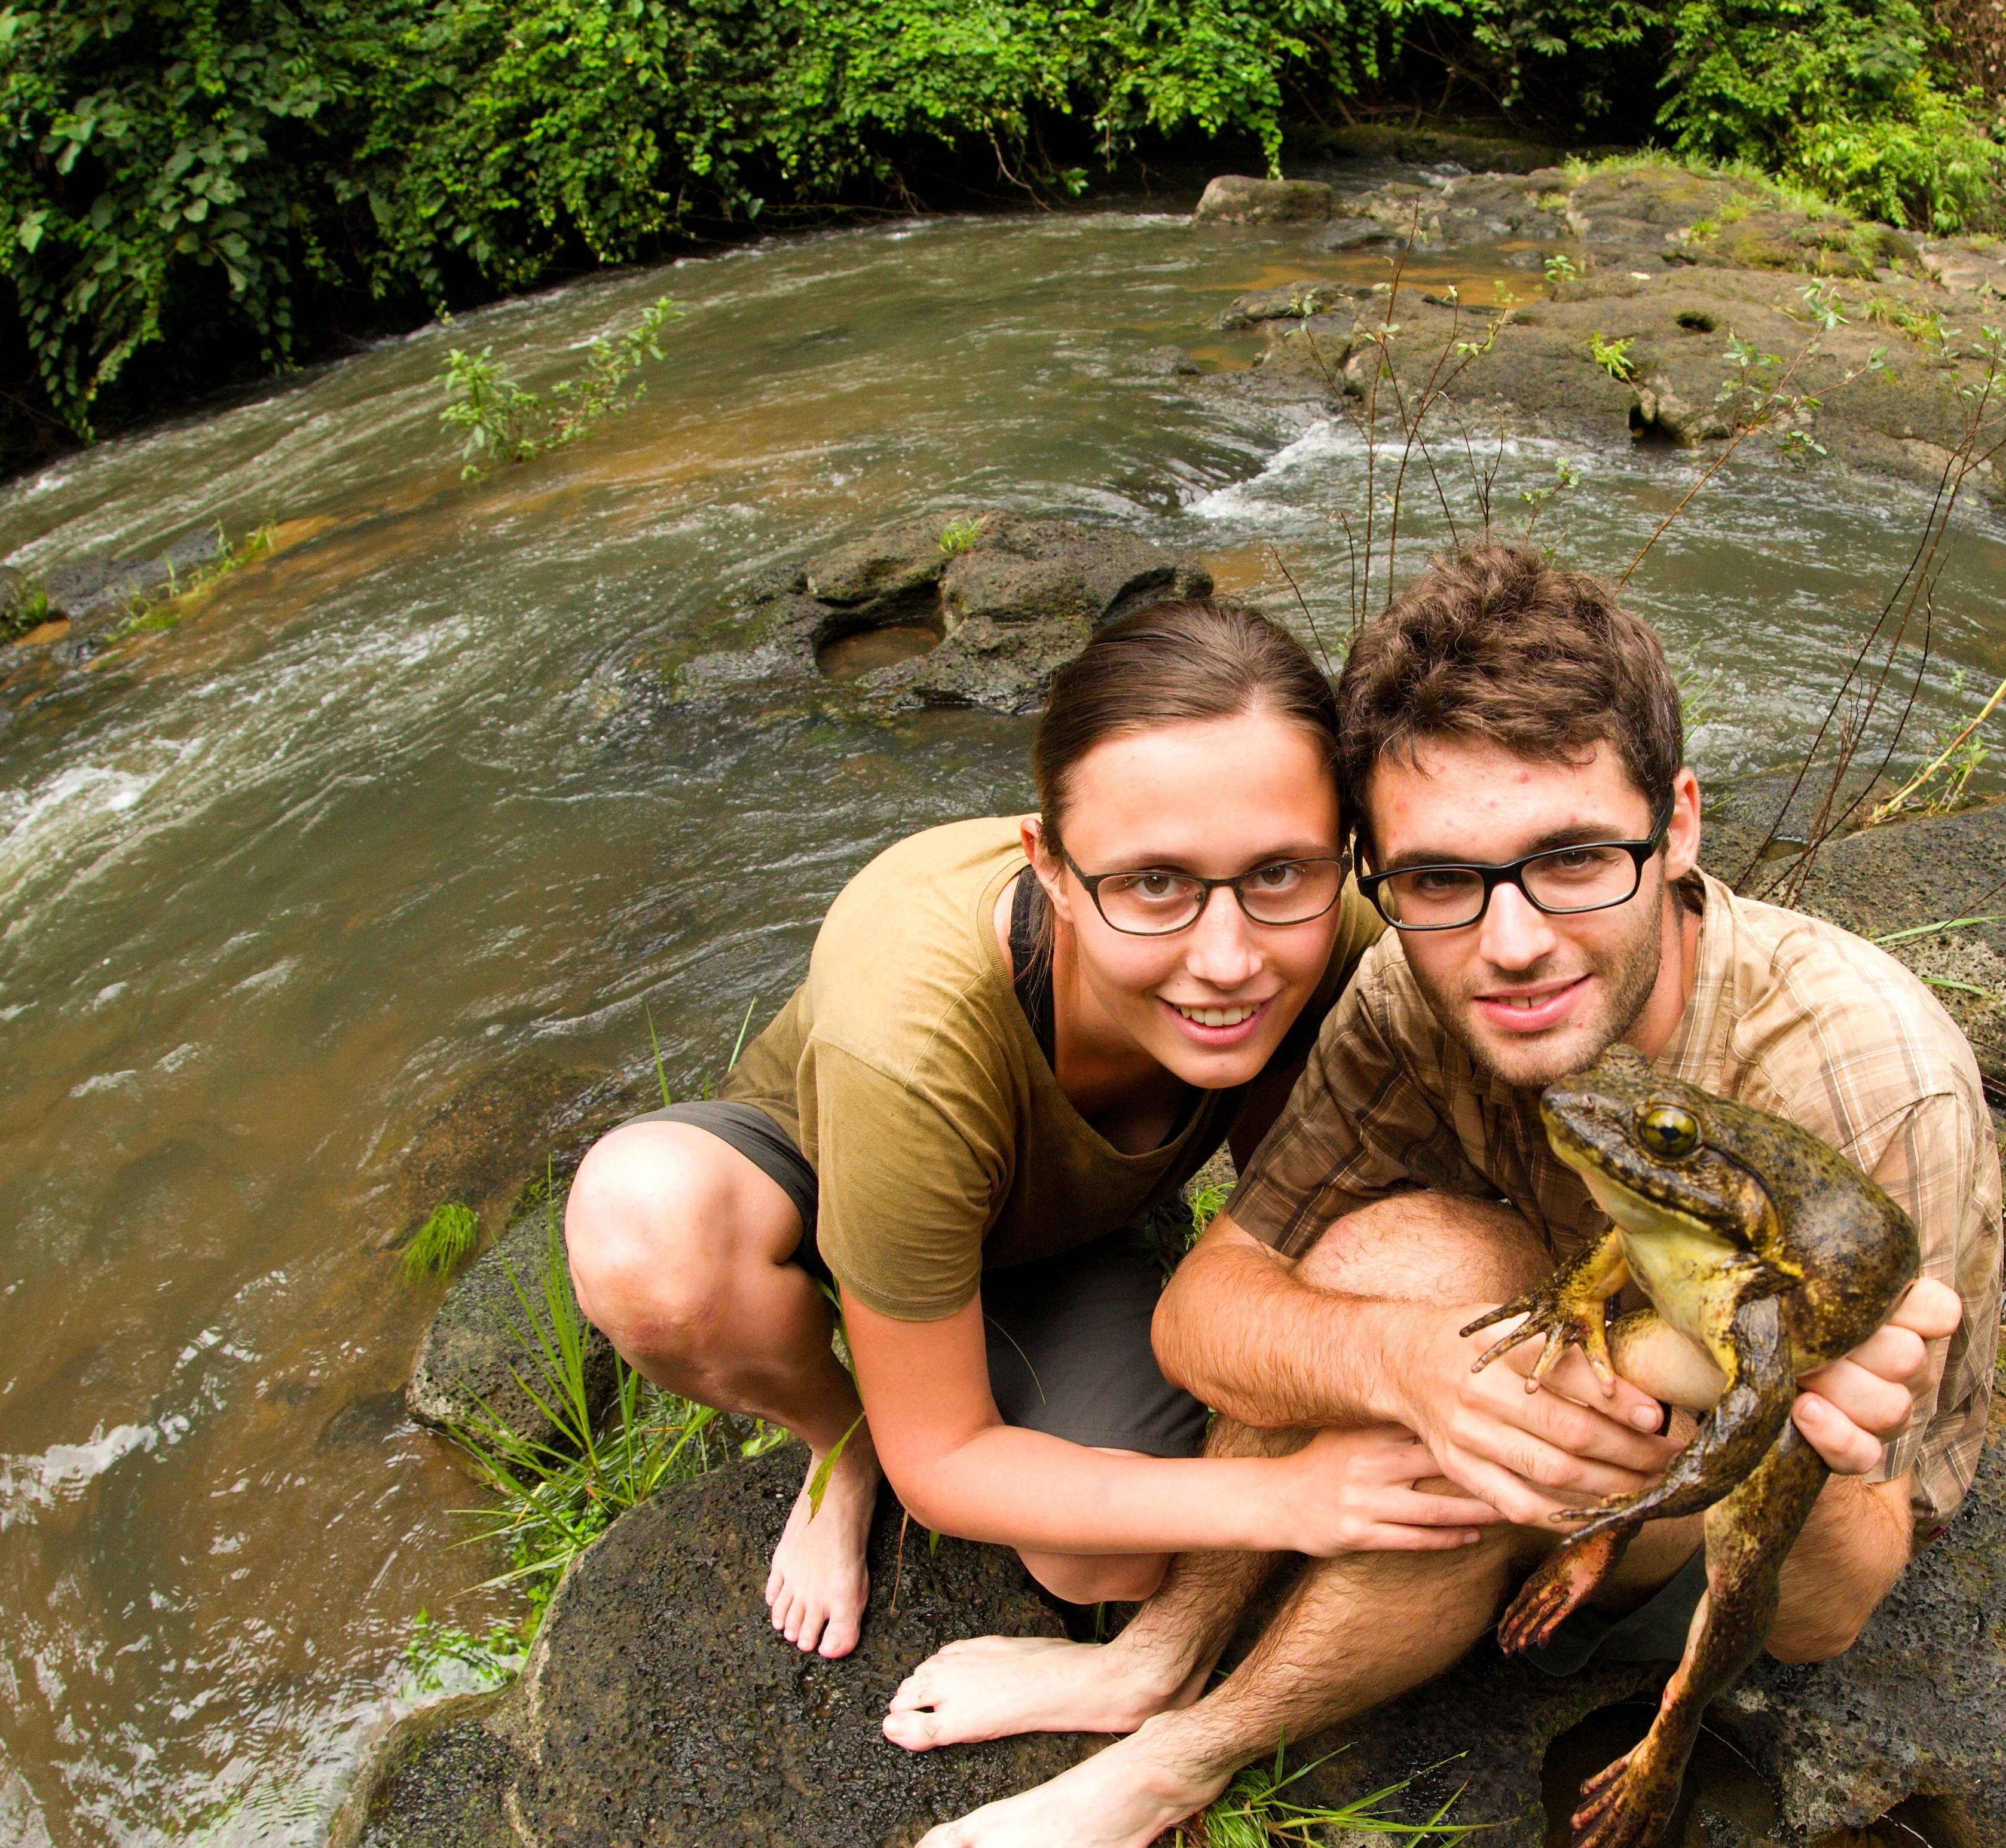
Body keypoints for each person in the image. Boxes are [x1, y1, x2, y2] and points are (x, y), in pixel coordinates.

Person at [900, 543, 2000, 1848]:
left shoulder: (1864, 1075)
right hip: (1568, 1331)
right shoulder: (1411, 997)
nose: (1512, 941)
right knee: (1402, 1276)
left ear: (1678, 827)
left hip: (1739, 1498)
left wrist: (1773, 1414)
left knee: (1474, 1350)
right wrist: (1407, 1365)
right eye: (1437, 879)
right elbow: (1207, 1306)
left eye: (1574, 858)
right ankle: (1155, 1656)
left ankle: (1188, 1757)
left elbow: (1837, 1599)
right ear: (1383, 877)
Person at [561, 599, 1492, 1679]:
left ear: (1344, 854)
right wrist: (1285, 1497)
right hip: (826, 1170)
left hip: (1059, 1236)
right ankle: (840, 1442)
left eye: (1281, 872)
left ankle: (1060, 1309)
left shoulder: (1349, 935)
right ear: (1049, 867)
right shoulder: (912, 1029)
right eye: (1155, 883)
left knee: (1106, 1560)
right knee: (645, 1239)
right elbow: (944, 1461)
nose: (1230, 958)